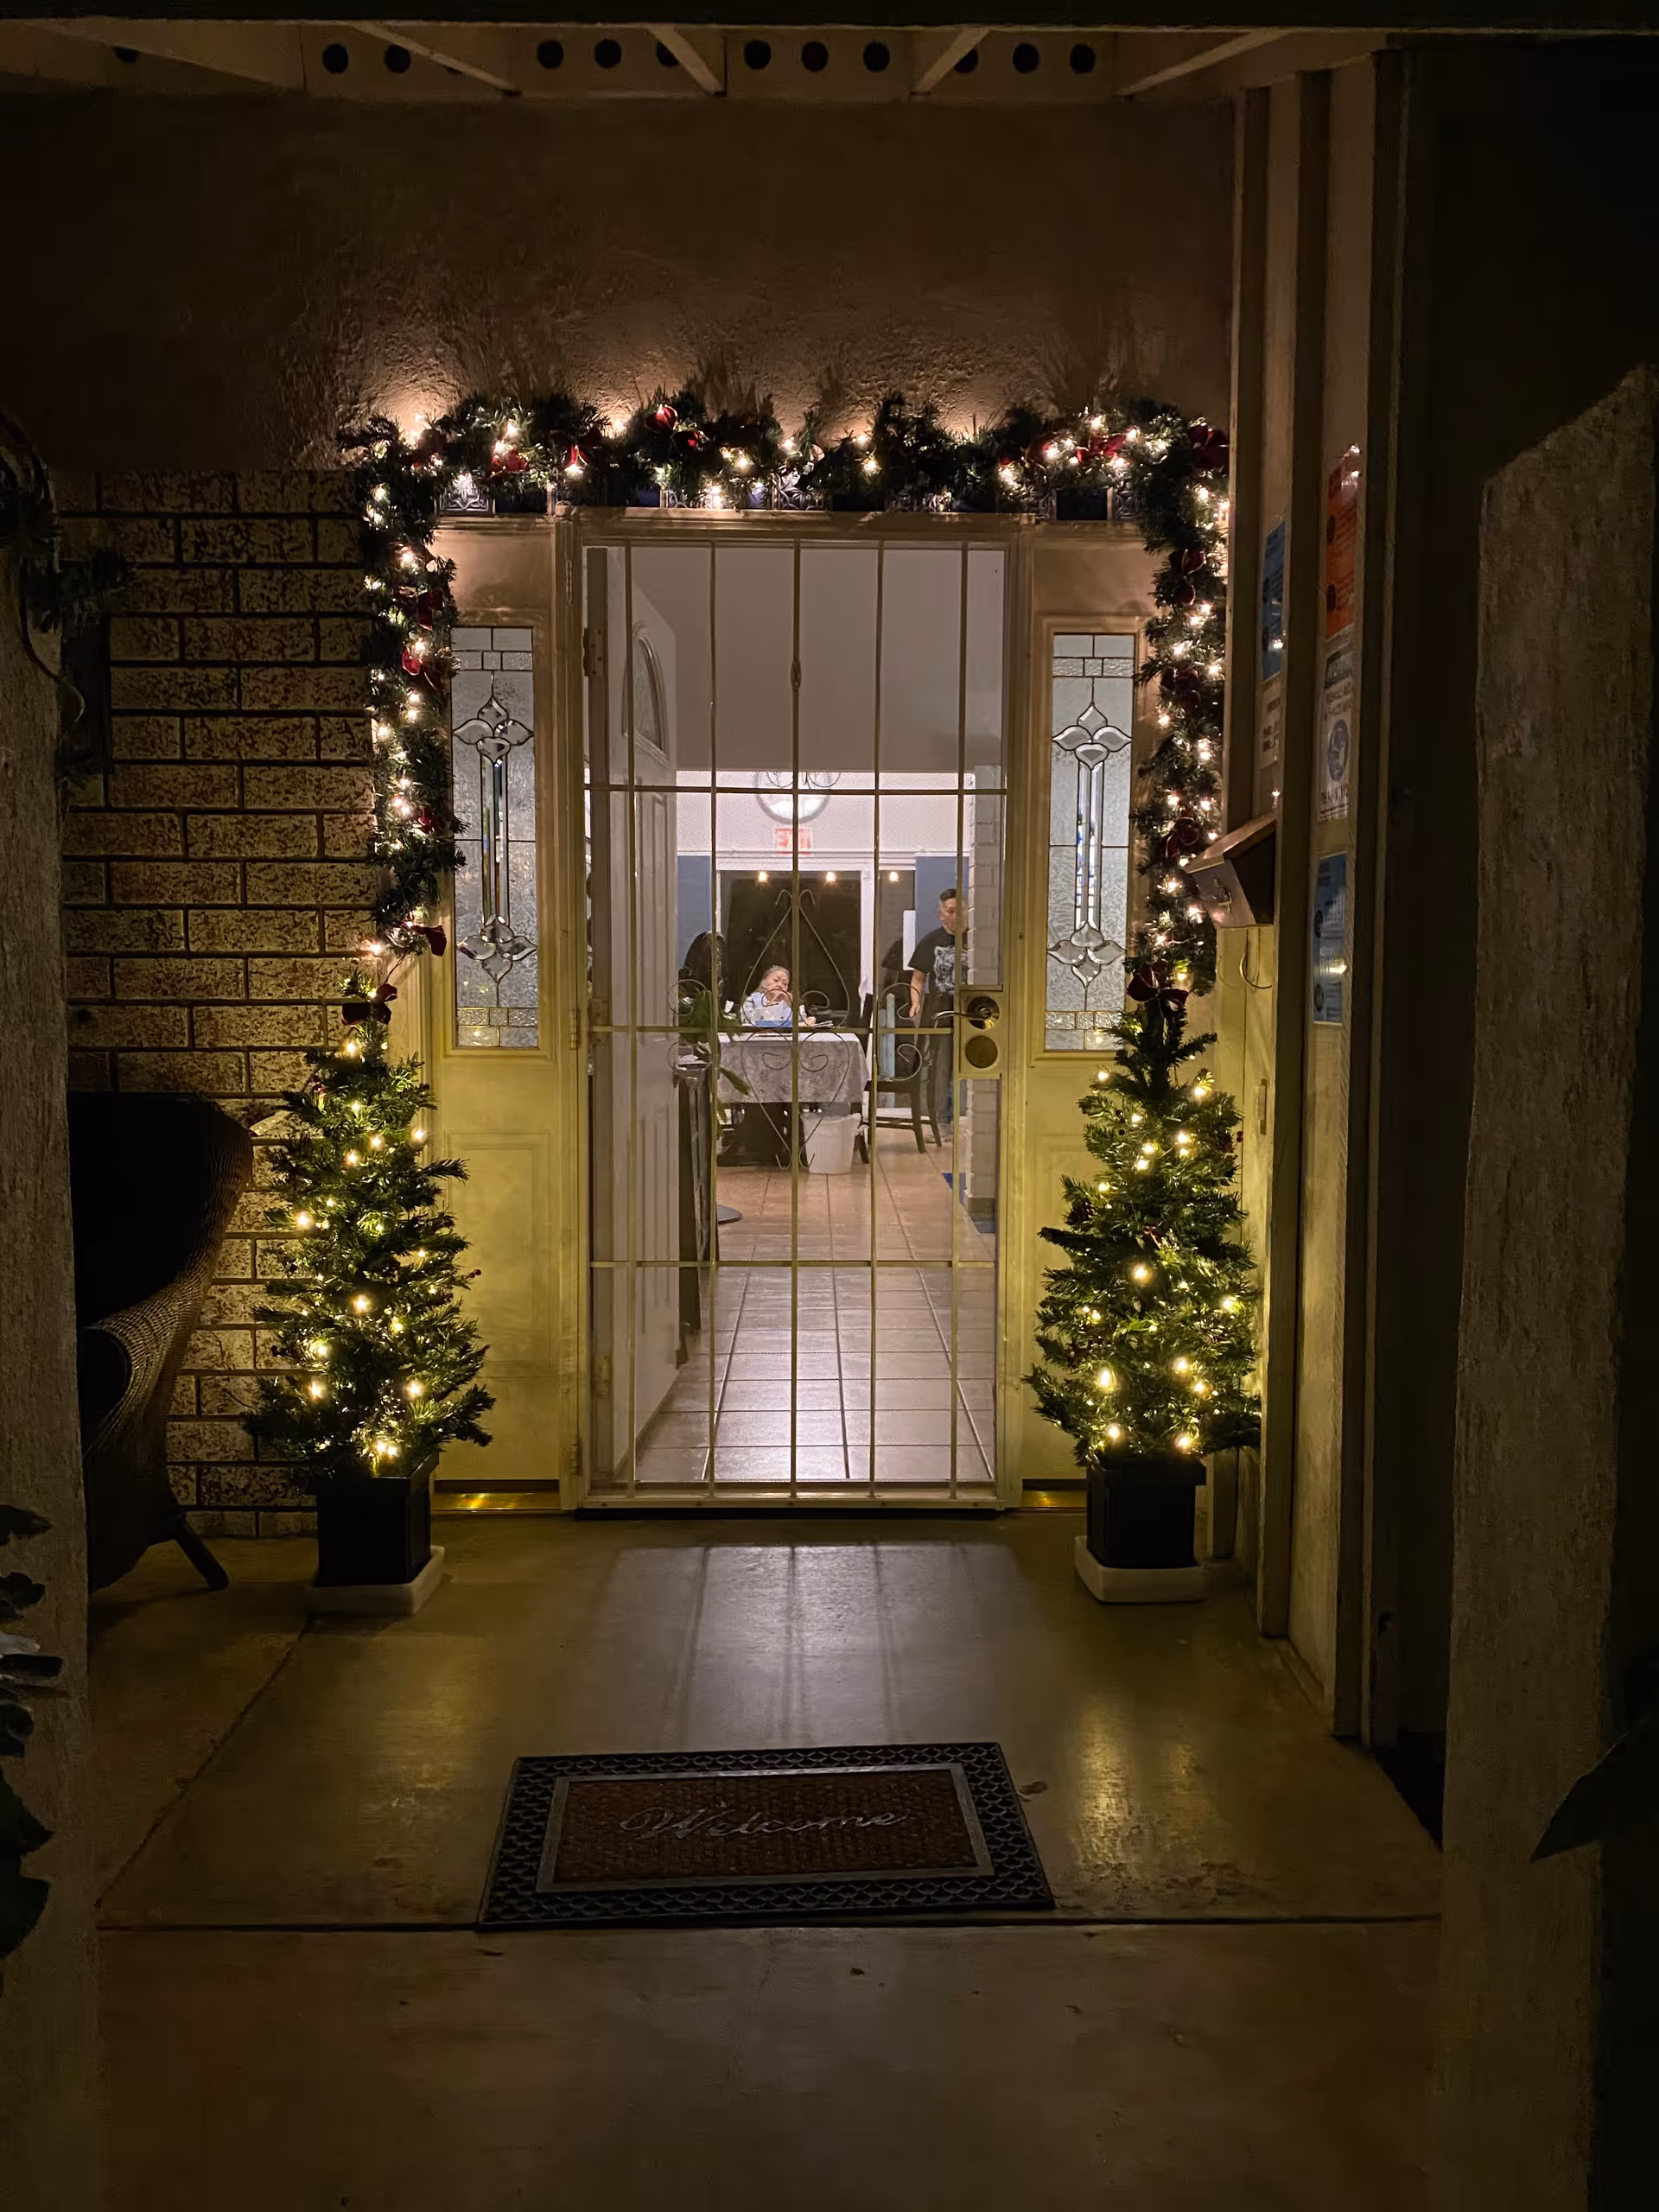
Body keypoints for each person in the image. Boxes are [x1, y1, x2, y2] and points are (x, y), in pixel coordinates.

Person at [907, 887, 964, 1131]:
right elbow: (918, 979)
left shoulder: (978, 940)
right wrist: (916, 1003)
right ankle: (942, 1121)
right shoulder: (930, 941)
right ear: (941, 914)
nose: (956, 916)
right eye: (951, 911)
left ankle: (962, 1117)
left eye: (960, 910)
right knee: (941, 1067)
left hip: (972, 1013)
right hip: (941, 1013)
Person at [740, 964, 814, 1029]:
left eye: (785, 984)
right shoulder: (752, 1001)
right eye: (775, 980)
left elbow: (801, 1025)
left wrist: (793, 1006)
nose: (780, 985)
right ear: (764, 982)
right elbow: (748, 1023)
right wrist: (766, 1006)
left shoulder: (790, 1002)